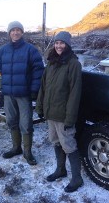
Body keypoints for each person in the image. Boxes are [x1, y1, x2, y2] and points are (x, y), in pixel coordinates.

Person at [35, 31, 83, 193]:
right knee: (55, 141)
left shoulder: (73, 64)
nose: (59, 46)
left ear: (68, 45)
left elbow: (75, 93)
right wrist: (40, 106)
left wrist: (70, 118)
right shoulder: (52, 62)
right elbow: (43, 87)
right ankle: (60, 170)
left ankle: (77, 178)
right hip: (51, 113)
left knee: (68, 145)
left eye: (62, 43)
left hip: (63, 114)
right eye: (56, 43)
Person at [0, 21, 44, 165]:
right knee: (11, 120)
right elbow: (0, 67)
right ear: (9, 33)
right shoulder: (3, 50)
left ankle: (27, 152)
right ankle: (16, 147)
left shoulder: (30, 50)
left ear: (22, 33)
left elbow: (38, 71)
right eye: (13, 30)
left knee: (26, 123)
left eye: (18, 30)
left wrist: (33, 90)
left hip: (24, 94)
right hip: (8, 94)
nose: (15, 32)